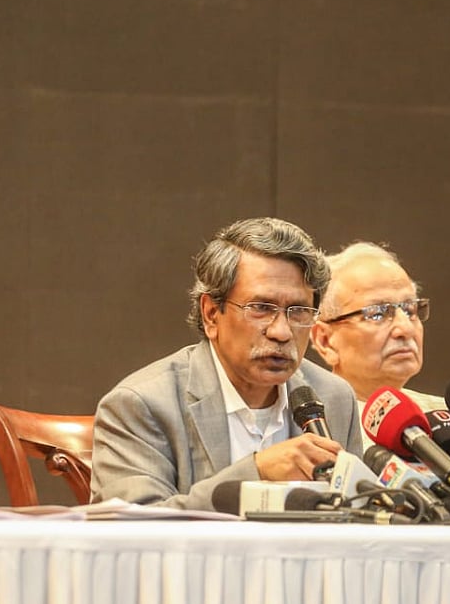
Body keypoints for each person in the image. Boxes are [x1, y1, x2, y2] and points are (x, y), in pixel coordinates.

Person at [90, 217, 363, 511]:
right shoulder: (143, 405)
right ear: (210, 314)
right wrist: (256, 473)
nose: (282, 332)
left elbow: (358, 519)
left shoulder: (334, 398)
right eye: (261, 308)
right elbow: (133, 525)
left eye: (298, 311)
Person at [311, 242, 444, 442]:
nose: (405, 329)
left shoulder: (449, 419)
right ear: (325, 341)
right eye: (377, 314)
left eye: (409, 310)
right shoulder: (315, 434)